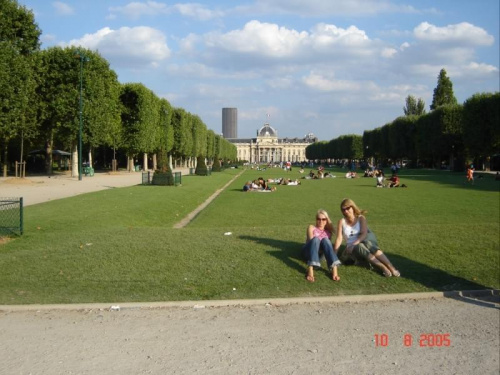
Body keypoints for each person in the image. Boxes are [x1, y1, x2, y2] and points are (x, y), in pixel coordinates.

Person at [333, 198, 400, 277]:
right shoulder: (341, 221)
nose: (346, 211)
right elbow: (339, 238)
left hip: (362, 243)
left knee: (368, 245)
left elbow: (364, 234)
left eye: (348, 208)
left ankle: (391, 267)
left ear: (353, 207)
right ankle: (382, 267)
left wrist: (354, 244)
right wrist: (334, 254)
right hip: (351, 250)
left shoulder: (361, 218)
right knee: (360, 246)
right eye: (343, 210)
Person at [302, 209, 341, 282]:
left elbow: (326, 247)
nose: (321, 221)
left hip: (320, 254)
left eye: (323, 219)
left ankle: (334, 268)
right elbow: (311, 243)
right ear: (316, 220)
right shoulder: (311, 227)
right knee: (316, 239)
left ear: (326, 220)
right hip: (308, 251)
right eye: (318, 219)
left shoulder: (328, 232)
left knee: (326, 240)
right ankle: (310, 268)